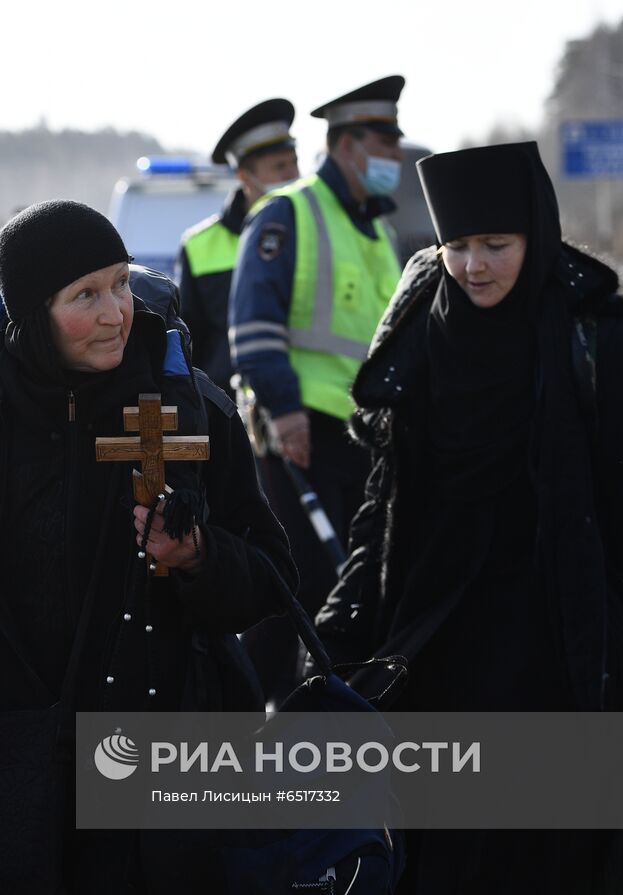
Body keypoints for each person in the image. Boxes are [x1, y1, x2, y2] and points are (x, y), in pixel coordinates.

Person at [0, 200, 297, 895]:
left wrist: (198, 558)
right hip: (13, 768)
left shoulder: (188, 411)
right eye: (84, 296)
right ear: (32, 313)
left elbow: (271, 581)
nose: (115, 313)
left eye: (120, 285)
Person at [315, 142, 623, 895]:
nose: (474, 267)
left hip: (556, 650)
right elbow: (382, 500)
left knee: (549, 873)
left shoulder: (595, 343)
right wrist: (342, 622)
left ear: (536, 234)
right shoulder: (421, 336)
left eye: (496, 245)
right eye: (456, 247)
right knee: (437, 869)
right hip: (436, 647)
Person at [228, 76, 407, 706]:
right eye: (383, 142)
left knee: (349, 589)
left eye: (394, 141)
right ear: (346, 144)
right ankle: (257, 726)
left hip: (367, 442)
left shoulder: (378, 232)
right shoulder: (289, 212)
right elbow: (252, 323)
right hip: (304, 435)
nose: (393, 153)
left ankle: (330, 718)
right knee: (299, 588)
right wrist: (286, 410)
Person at [174, 98, 300, 394]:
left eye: (294, 163)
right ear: (245, 176)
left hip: (304, 401)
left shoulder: (319, 230)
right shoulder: (199, 245)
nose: (293, 176)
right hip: (231, 409)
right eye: (280, 166)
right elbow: (191, 342)